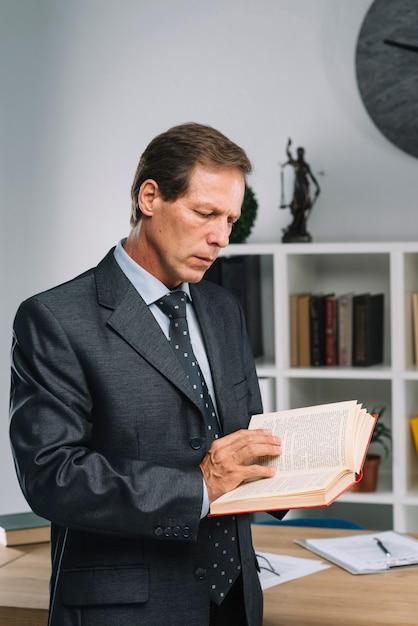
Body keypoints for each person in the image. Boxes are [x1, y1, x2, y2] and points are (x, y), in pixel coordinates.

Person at [9, 122, 284, 626]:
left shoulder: (224, 308)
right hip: (126, 610)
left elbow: (241, 438)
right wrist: (197, 487)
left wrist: (311, 468)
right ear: (150, 197)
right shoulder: (54, 318)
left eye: (230, 219)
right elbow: (53, 475)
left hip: (235, 601)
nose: (221, 236)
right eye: (205, 213)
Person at [281, 137, 320, 242]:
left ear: (303, 154)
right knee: (296, 208)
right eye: (299, 153)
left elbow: (311, 176)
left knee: (302, 209)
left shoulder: (305, 165)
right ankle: (295, 228)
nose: (300, 155)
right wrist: (288, 146)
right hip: (297, 190)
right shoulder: (296, 164)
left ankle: (298, 229)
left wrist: (317, 186)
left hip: (305, 189)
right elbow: (288, 155)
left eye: (301, 153)